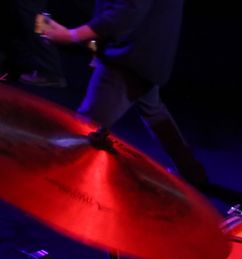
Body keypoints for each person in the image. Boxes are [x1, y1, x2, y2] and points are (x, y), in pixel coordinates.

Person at [37, 0, 207, 186]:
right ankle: (191, 171)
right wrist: (91, 46)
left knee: (85, 125)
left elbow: (127, 11)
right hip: (145, 56)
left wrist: (72, 35)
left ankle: (52, 182)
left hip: (129, 59)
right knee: (154, 112)